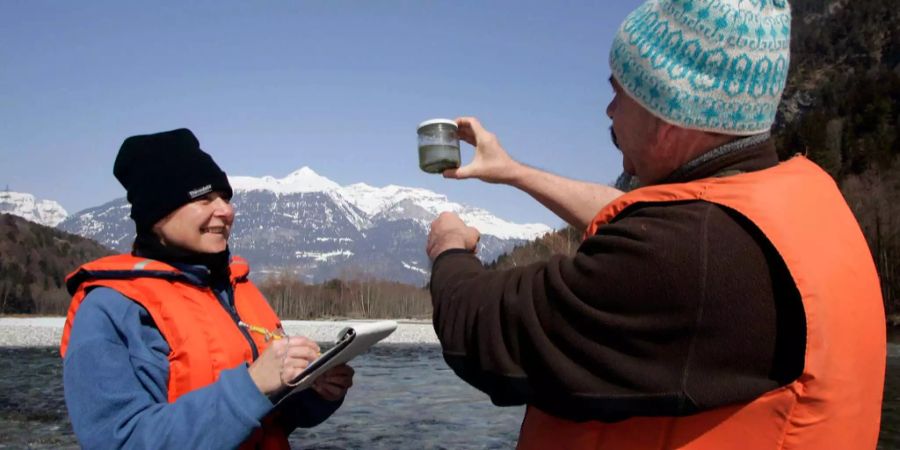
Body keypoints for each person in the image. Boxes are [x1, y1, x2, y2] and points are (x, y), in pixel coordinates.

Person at [426, 0, 886, 448]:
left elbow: (484, 326)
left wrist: (448, 248)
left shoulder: (689, 257)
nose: (608, 112)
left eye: (619, 94)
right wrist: (513, 171)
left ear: (667, 118)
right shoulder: (781, 214)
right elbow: (644, 212)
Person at [60, 128, 354, 449]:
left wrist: (314, 391)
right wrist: (252, 385)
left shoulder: (237, 290)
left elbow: (273, 418)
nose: (226, 211)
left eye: (225, 197)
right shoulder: (109, 309)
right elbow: (120, 440)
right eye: (203, 199)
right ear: (156, 214)